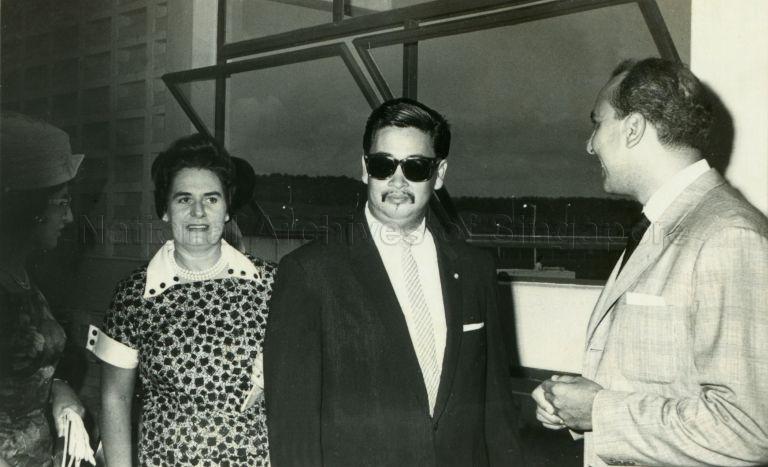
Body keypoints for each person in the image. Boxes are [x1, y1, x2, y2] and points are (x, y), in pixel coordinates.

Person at [532, 58, 768, 466]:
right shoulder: (666, 224)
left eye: (597, 123)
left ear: (633, 128)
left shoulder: (729, 235)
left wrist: (599, 412)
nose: (590, 144)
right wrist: (577, 402)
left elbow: (746, 429)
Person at [265, 98, 523, 466]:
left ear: (441, 173)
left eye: (416, 167)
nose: (398, 181)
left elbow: (497, 411)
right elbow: (292, 427)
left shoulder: (476, 269)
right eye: (384, 165)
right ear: (364, 169)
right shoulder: (309, 272)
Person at [88, 134, 274, 466]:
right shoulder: (133, 295)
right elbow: (114, 399)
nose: (198, 212)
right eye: (184, 199)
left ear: (228, 209)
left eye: (212, 199)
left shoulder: (272, 285)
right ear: (164, 210)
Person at [0, 113, 95, 466]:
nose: (69, 218)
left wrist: (58, 389)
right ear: (31, 209)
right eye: (63, 202)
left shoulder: (22, 279)